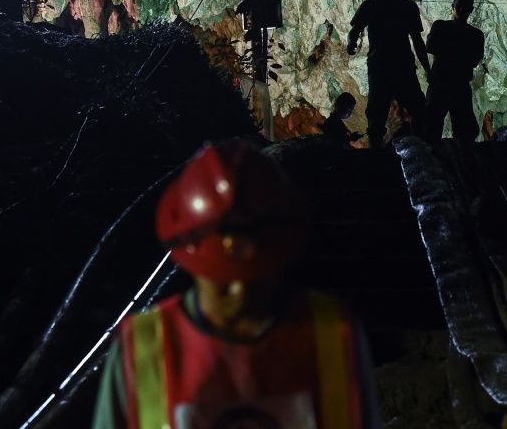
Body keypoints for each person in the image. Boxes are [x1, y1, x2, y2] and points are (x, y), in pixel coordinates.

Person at [93, 140, 380, 429]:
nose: (241, 293)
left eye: (257, 277)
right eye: (223, 280)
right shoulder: (144, 350)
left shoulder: (332, 334)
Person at [346, 0, 430, 149]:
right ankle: (386, 153)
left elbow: (418, 41)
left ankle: (407, 151)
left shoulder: (384, 5)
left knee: (409, 110)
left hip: (391, 66)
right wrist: (351, 42)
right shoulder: (399, 6)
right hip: (388, 67)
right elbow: (355, 31)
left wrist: (351, 43)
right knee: (382, 113)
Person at [422, 0, 485, 142]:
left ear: (471, 10)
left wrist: (448, 49)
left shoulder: (443, 28)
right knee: (432, 127)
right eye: (459, 6)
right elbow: (430, 47)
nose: (462, 9)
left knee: (460, 130)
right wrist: (460, 52)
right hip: (446, 84)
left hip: (451, 84)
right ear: (453, 6)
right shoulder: (473, 35)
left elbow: (474, 59)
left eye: (465, 7)